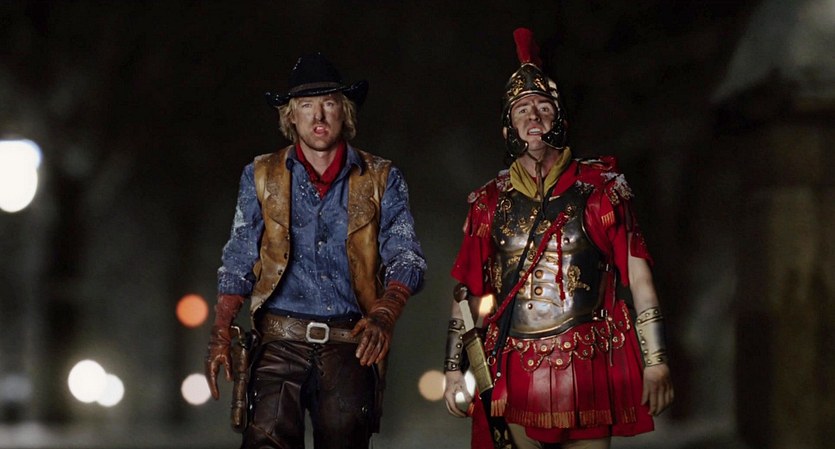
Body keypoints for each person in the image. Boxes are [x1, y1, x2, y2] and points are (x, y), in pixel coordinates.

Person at [443, 28, 674, 449]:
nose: (533, 116)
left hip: (586, 368)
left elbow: (639, 279)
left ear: (559, 119)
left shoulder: (602, 191)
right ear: (508, 127)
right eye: (522, 109)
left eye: (543, 107)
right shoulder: (488, 203)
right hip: (513, 370)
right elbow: (469, 293)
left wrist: (656, 361)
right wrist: (453, 368)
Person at [205, 52, 426, 449]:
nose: (318, 116)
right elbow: (239, 256)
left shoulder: (381, 177)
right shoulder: (260, 175)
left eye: (329, 103)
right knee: (265, 440)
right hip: (277, 341)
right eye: (306, 105)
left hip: (349, 341)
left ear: (345, 112)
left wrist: (385, 313)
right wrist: (222, 327)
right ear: (291, 115)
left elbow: (406, 255)